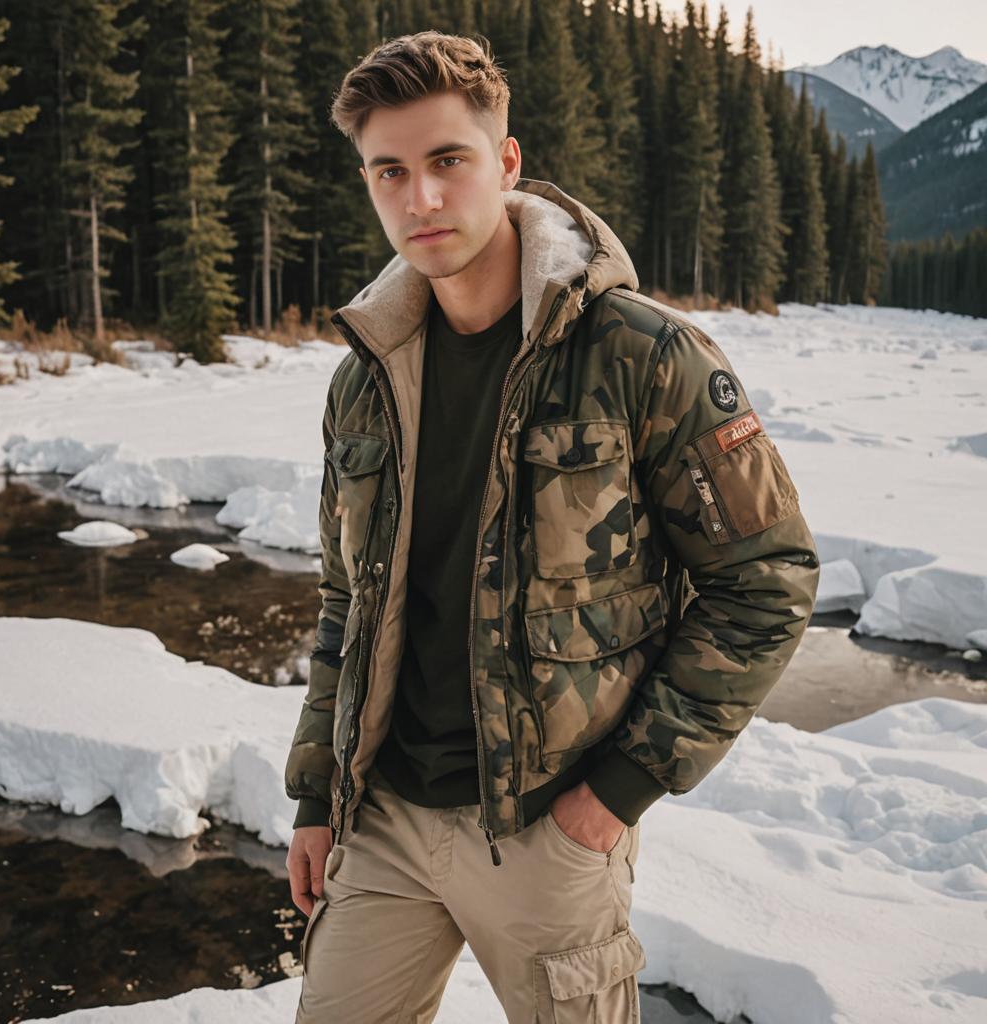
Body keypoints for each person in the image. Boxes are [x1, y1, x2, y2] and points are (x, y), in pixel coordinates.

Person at [283, 30, 820, 1024]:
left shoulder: (642, 355)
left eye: (448, 161)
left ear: (507, 162)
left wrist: (616, 790)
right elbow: (344, 603)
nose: (421, 199)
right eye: (388, 171)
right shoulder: (366, 380)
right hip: (387, 817)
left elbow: (767, 577)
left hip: (551, 823)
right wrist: (319, 796)